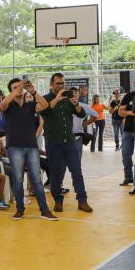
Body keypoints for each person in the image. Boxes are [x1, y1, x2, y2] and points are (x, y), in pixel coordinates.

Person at [1, 78, 56, 221]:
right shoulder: (8, 105)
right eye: (14, 87)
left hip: (31, 146)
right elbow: (3, 104)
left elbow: (45, 105)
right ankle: (20, 210)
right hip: (14, 147)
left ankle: (44, 210)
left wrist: (33, 91)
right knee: (18, 179)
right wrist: (18, 89)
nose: (18, 89)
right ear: (11, 90)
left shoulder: (30, 105)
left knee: (36, 179)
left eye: (19, 86)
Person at [40, 73, 92, 213]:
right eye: (58, 83)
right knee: (55, 173)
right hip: (53, 142)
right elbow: (45, 111)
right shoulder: (46, 98)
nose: (61, 86)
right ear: (52, 84)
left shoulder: (70, 98)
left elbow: (81, 115)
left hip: (69, 141)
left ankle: (82, 200)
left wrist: (76, 105)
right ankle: (58, 200)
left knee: (76, 171)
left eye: (63, 83)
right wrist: (57, 98)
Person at [117, 75, 135, 185]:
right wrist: (130, 113)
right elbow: (120, 112)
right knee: (126, 155)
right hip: (128, 131)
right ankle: (128, 177)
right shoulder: (128, 96)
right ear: (134, 83)